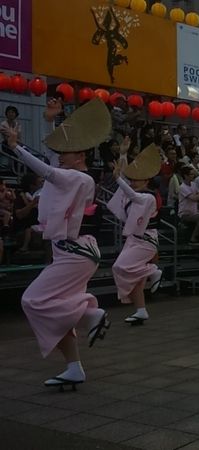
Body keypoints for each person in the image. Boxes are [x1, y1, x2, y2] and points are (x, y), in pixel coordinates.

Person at [3, 98, 112, 390]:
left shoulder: (81, 179)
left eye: (65, 152)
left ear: (80, 155)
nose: (59, 156)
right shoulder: (70, 175)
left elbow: (49, 171)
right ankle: (73, 367)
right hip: (73, 252)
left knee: (33, 300)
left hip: (75, 252)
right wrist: (52, 120)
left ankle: (90, 315)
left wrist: (15, 147)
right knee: (56, 308)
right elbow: (52, 166)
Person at [108, 140, 162, 325]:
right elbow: (124, 178)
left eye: (137, 179)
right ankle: (141, 310)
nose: (132, 182)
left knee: (120, 267)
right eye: (131, 180)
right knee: (135, 277)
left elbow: (130, 192)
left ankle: (153, 271)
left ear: (146, 180)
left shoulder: (149, 197)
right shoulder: (132, 194)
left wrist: (118, 179)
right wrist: (123, 155)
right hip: (135, 239)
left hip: (146, 241)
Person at [178, 166, 199, 245]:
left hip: (194, 211)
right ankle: (193, 238)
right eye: (191, 174)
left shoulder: (193, 184)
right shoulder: (182, 187)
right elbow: (194, 198)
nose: (193, 176)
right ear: (185, 175)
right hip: (185, 213)